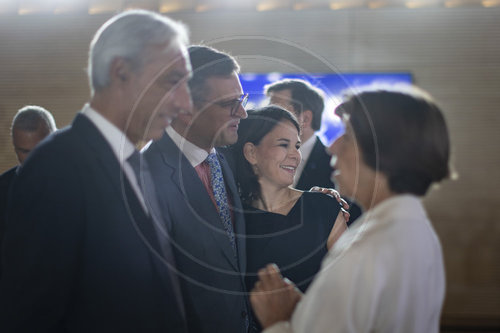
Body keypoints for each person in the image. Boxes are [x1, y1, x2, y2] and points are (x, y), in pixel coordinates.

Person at [0, 10, 192, 332]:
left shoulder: (136, 164)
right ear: (121, 72)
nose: (185, 102)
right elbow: (28, 317)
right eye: (173, 82)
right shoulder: (56, 169)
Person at [250, 86, 451, 333]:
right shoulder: (416, 230)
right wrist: (308, 311)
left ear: (381, 153)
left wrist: (277, 321)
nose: (332, 147)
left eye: (346, 136)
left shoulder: (365, 250)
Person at [143, 45, 251, 333]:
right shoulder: (142, 178)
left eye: (242, 99)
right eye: (230, 104)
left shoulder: (223, 161)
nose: (242, 112)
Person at [230, 105, 345, 295]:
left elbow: (352, 288)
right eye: (284, 144)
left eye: (297, 146)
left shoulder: (324, 207)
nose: (295, 155)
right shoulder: (231, 215)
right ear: (251, 153)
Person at [265, 79, 362, 221]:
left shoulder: (339, 167)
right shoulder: (256, 160)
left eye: (276, 112)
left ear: (305, 118)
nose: (266, 119)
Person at [0, 105, 57, 277]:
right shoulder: (2, 190)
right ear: (14, 146)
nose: (33, 159)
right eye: (24, 151)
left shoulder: (80, 185)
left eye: (40, 149)